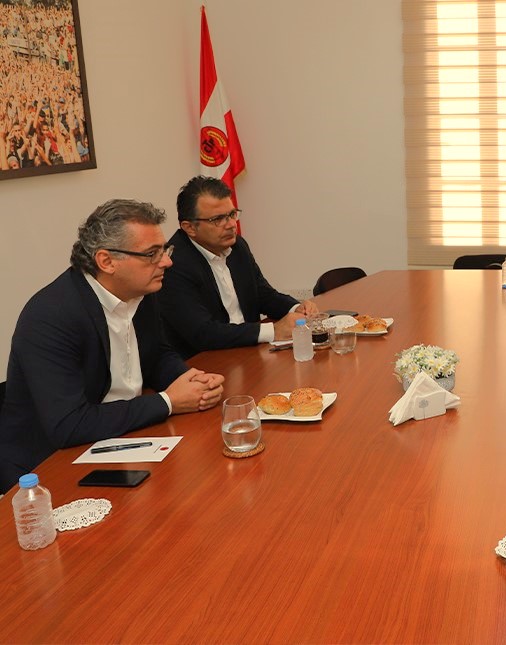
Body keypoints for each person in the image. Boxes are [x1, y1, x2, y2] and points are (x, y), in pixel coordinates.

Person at [0, 200, 225, 492]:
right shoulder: (51, 316)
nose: (167, 262)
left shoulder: (140, 288)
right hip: (47, 470)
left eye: (164, 250)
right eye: (152, 254)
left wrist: (190, 380)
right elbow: (68, 424)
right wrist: (169, 401)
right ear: (106, 261)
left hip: (119, 436)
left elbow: (155, 355)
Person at [158, 176, 318, 358]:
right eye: (218, 219)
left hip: (248, 351)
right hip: (206, 361)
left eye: (232, 214)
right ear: (190, 227)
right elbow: (203, 333)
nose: (231, 225)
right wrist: (273, 330)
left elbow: (262, 293)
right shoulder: (173, 264)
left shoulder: (237, 246)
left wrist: (295, 308)